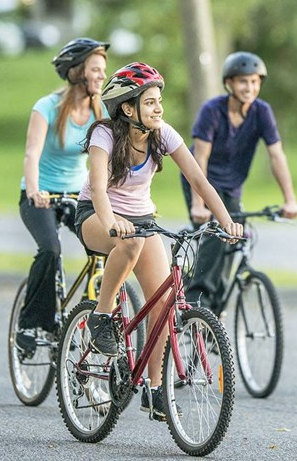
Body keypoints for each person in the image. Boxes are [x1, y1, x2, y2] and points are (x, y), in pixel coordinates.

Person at [75, 62, 244, 422]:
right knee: (131, 243)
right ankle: (102, 316)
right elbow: (100, 189)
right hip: (95, 215)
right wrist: (110, 223)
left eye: (159, 101)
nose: (158, 108)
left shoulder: (162, 134)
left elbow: (200, 181)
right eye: (150, 102)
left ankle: (155, 391)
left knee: (164, 301)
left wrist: (226, 221)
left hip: (142, 221)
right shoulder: (104, 135)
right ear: (127, 108)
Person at [181, 51, 297, 310]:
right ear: (230, 83)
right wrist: (198, 205)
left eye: (255, 82)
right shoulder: (212, 111)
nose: (250, 87)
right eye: (244, 81)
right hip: (200, 181)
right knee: (216, 238)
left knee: (233, 242)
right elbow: (200, 158)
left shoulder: (262, 112)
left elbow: (277, 156)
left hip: (232, 186)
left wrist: (289, 199)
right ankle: (195, 302)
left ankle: (214, 313)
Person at [15, 37, 109, 354]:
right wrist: (35, 190)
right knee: (51, 250)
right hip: (40, 194)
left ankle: (96, 313)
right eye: (95, 69)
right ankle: (30, 323)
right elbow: (31, 153)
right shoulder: (47, 107)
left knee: (108, 248)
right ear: (76, 72)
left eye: (103, 70)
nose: (101, 76)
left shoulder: (103, 111)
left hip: (78, 196)